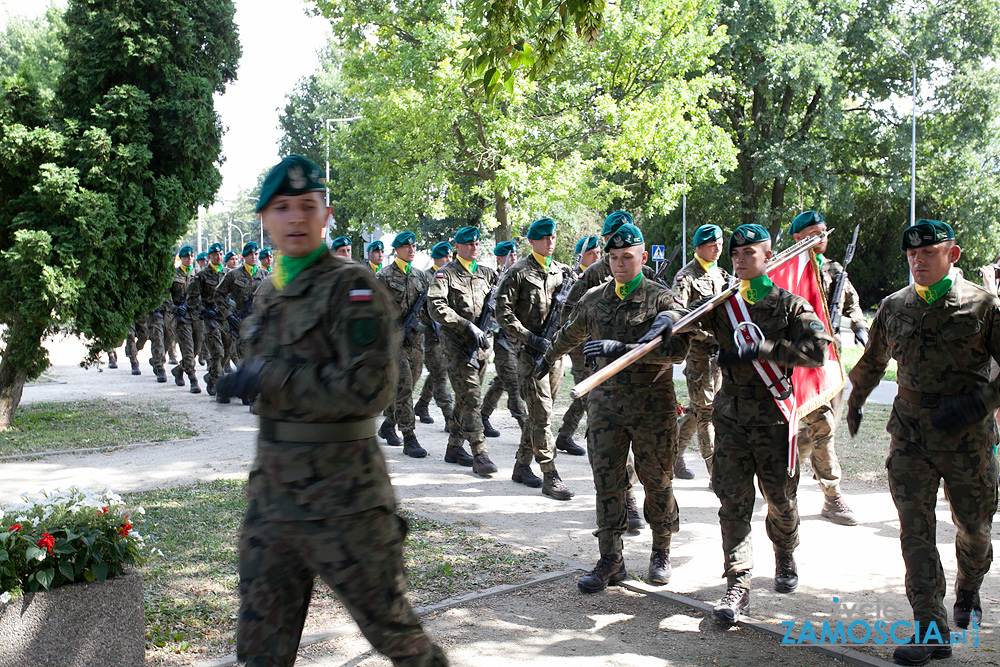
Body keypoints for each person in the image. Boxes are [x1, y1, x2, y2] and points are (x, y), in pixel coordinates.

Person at [214, 155, 448, 667]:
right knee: (259, 650)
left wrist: (271, 377)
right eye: (281, 208)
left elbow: (369, 389)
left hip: (345, 497)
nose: (295, 218)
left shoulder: (354, 287)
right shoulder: (270, 289)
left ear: (326, 214)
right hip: (273, 499)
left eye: (307, 206)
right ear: (263, 218)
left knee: (395, 635)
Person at [847, 219, 999, 666]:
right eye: (912, 254)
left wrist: (979, 405)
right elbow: (873, 360)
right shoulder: (895, 306)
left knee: (975, 530)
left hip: (967, 437)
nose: (918, 260)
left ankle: (969, 585)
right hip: (910, 434)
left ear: (952, 255)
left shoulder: (982, 306)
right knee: (915, 533)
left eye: (928, 253)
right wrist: (854, 401)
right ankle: (930, 628)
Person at [691, 224, 832, 625]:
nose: (740, 258)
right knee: (732, 502)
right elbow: (690, 331)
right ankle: (738, 584)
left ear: (768, 256)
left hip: (774, 419)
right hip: (732, 418)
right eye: (735, 253)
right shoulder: (722, 304)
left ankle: (785, 551)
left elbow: (817, 352)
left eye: (749, 252)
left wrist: (766, 348)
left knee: (781, 500)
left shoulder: (789, 305)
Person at [538, 223, 689, 590]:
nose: (620, 264)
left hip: (652, 408)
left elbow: (678, 350)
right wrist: (548, 357)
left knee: (657, 481)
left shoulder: (661, 299)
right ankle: (610, 559)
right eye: (614, 258)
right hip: (605, 406)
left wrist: (623, 351)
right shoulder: (595, 297)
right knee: (607, 482)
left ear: (640, 256)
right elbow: (571, 331)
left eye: (627, 257)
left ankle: (661, 551)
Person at [789, 210, 867, 525]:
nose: (821, 237)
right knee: (822, 426)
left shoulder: (835, 270)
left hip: (831, 363)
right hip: (800, 360)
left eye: (823, 232)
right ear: (797, 238)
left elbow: (853, 304)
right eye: (813, 232)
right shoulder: (788, 271)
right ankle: (832, 497)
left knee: (821, 427)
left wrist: (860, 325)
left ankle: (784, 483)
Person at [495, 218, 575, 500]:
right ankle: (549, 474)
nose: (550, 242)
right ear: (532, 241)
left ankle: (520, 465)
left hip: (555, 354)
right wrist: (529, 338)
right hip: (529, 355)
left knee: (539, 413)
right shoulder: (517, 272)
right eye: (544, 238)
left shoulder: (562, 273)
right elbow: (502, 314)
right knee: (542, 415)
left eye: (552, 237)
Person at [426, 226, 500, 477]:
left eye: (477, 243)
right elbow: (436, 307)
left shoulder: (488, 274)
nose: (474, 247)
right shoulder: (445, 275)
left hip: (480, 349)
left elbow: (502, 302)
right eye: (468, 244)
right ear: (457, 247)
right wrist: (466, 324)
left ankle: (454, 447)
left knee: (464, 398)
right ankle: (480, 453)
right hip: (457, 347)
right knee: (471, 398)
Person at [672, 224, 729, 482]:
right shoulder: (687, 278)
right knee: (707, 414)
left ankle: (674, 454)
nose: (718, 248)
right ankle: (716, 474)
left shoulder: (723, 275)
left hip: (722, 355)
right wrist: (707, 337)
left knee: (699, 411)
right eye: (712, 245)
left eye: (720, 243)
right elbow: (679, 320)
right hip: (700, 355)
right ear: (698, 248)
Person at [376, 231, 431, 458]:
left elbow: (428, 309)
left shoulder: (420, 276)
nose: (411, 250)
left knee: (407, 386)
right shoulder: (384, 276)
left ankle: (388, 423)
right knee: (405, 385)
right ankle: (409, 436)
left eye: (414, 246)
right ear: (396, 249)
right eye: (406, 246)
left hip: (416, 343)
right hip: (394, 343)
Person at [554, 235, 601, 456]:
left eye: (598, 252)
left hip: (597, 343)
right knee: (587, 390)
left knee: (588, 392)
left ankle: (565, 435)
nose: (597, 256)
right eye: (592, 253)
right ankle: (567, 435)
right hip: (580, 344)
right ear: (581, 256)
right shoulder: (577, 279)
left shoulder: (604, 275)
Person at [480, 241, 528, 439]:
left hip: (517, 339)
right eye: (509, 255)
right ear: (499, 258)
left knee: (502, 381)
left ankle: (483, 415)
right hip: (501, 340)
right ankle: (527, 427)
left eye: (515, 254)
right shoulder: (494, 279)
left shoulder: (520, 276)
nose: (513, 257)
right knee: (513, 382)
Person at [215, 241, 266, 405]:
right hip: (241, 325)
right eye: (251, 254)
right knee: (244, 358)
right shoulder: (233, 275)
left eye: (256, 254)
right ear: (244, 257)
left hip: (260, 325)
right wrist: (229, 316)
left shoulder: (264, 276)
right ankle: (246, 394)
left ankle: (251, 393)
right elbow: (218, 295)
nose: (254, 257)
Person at [414, 241, 455, 429]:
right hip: (430, 336)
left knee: (440, 370)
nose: (448, 260)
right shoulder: (425, 277)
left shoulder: (453, 275)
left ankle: (422, 405)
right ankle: (450, 417)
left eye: (450, 256)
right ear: (435, 259)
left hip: (448, 334)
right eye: (444, 257)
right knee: (440, 373)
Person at [188, 242, 226, 396]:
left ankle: (211, 376)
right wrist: (204, 310)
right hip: (209, 319)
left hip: (225, 319)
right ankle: (220, 386)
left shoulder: (229, 274)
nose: (219, 257)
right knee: (218, 352)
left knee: (229, 353)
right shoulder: (202, 275)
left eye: (221, 254)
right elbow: (191, 299)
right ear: (209, 257)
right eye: (215, 254)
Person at [170, 245, 201, 393]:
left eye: (191, 256)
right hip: (181, 318)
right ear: (180, 258)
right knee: (188, 351)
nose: (189, 259)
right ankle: (193, 380)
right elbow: (164, 295)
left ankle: (180, 369)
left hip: (197, 317)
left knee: (196, 349)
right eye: (186, 256)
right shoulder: (173, 275)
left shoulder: (198, 275)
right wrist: (174, 307)